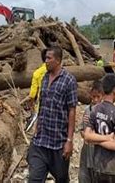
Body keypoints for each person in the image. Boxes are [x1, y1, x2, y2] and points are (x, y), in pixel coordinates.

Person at [28, 46, 78, 183]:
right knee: (34, 178)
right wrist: (37, 124)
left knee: (61, 178)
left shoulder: (69, 80)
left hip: (58, 144)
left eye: (49, 58)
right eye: (45, 58)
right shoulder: (44, 78)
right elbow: (42, 103)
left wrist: (69, 140)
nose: (46, 61)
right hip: (41, 141)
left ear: (58, 60)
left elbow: (72, 110)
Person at [84, 73, 115, 183]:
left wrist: (95, 140)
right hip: (113, 167)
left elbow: (87, 136)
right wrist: (108, 138)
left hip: (97, 165)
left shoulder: (94, 110)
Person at [79, 80, 104, 183]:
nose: (95, 100)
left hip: (100, 151)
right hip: (87, 150)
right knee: (84, 176)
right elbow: (81, 129)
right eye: (94, 97)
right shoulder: (87, 111)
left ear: (102, 96)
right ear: (90, 95)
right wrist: (85, 135)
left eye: (98, 97)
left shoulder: (105, 112)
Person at [26, 49, 47, 132]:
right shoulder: (56, 71)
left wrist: (31, 102)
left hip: (42, 102)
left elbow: (32, 94)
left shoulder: (37, 73)